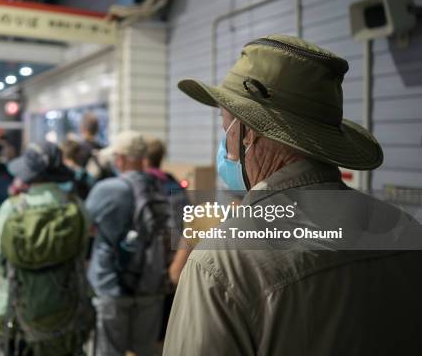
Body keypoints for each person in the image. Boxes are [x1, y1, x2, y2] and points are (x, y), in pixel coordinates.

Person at [163, 34, 422, 355]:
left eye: (225, 127)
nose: (224, 144)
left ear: (248, 134)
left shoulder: (222, 262)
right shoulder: (405, 229)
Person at [0, 142, 93, 356]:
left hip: (19, 313)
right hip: (67, 312)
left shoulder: (12, 208)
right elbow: (82, 252)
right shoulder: (76, 206)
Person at [86, 131, 169, 356]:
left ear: (120, 159)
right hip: (150, 284)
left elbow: (85, 226)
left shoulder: (106, 189)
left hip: (112, 284)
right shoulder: (160, 186)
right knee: (145, 351)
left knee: (109, 351)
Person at [143, 138, 192, 340]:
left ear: (144, 159)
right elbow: (187, 227)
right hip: (174, 266)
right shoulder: (175, 186)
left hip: (148, 271)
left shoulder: (141, 187)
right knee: (166, 332)